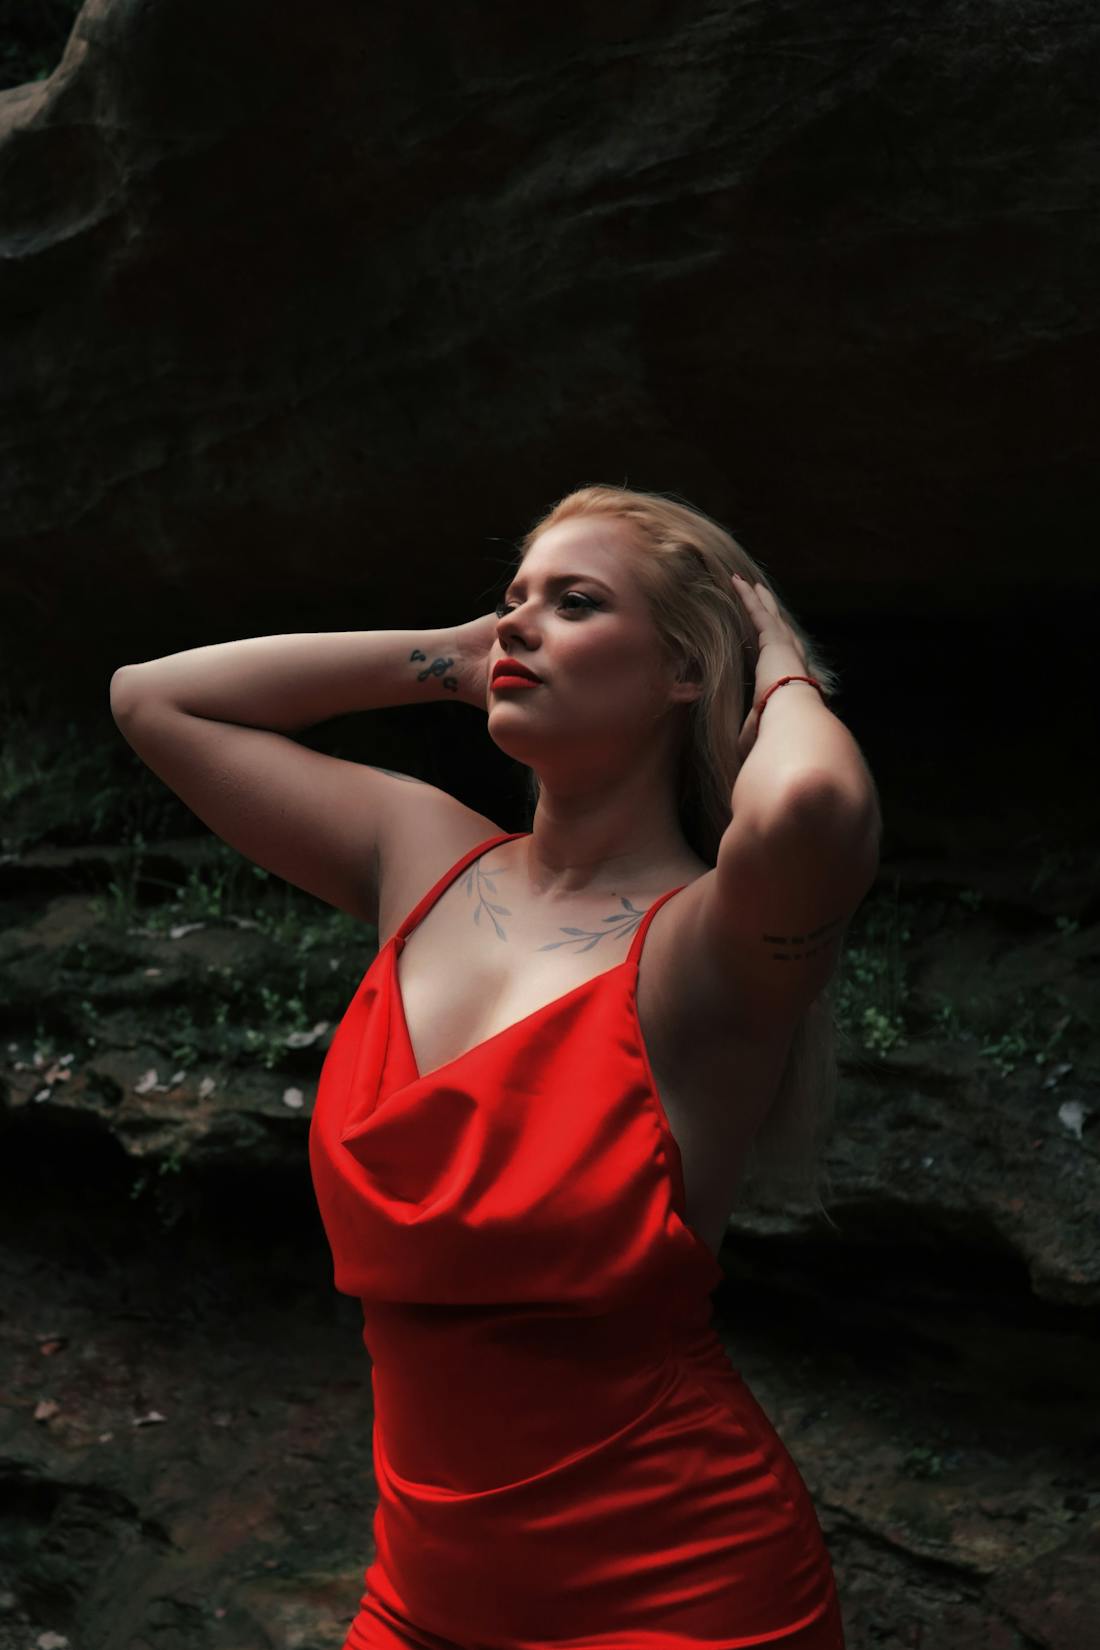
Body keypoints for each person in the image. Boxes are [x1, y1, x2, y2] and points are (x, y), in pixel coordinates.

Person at [111, 483, 881, 1648]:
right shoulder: (417, 857)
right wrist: (462, 659)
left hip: (675, 1601)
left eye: (573, 604)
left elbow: (812, 802)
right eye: (510, 599)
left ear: (683, 671)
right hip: (422, 1604)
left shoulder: (703, 950)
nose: (520, 622)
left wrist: (775, 664)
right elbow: (156, 699)